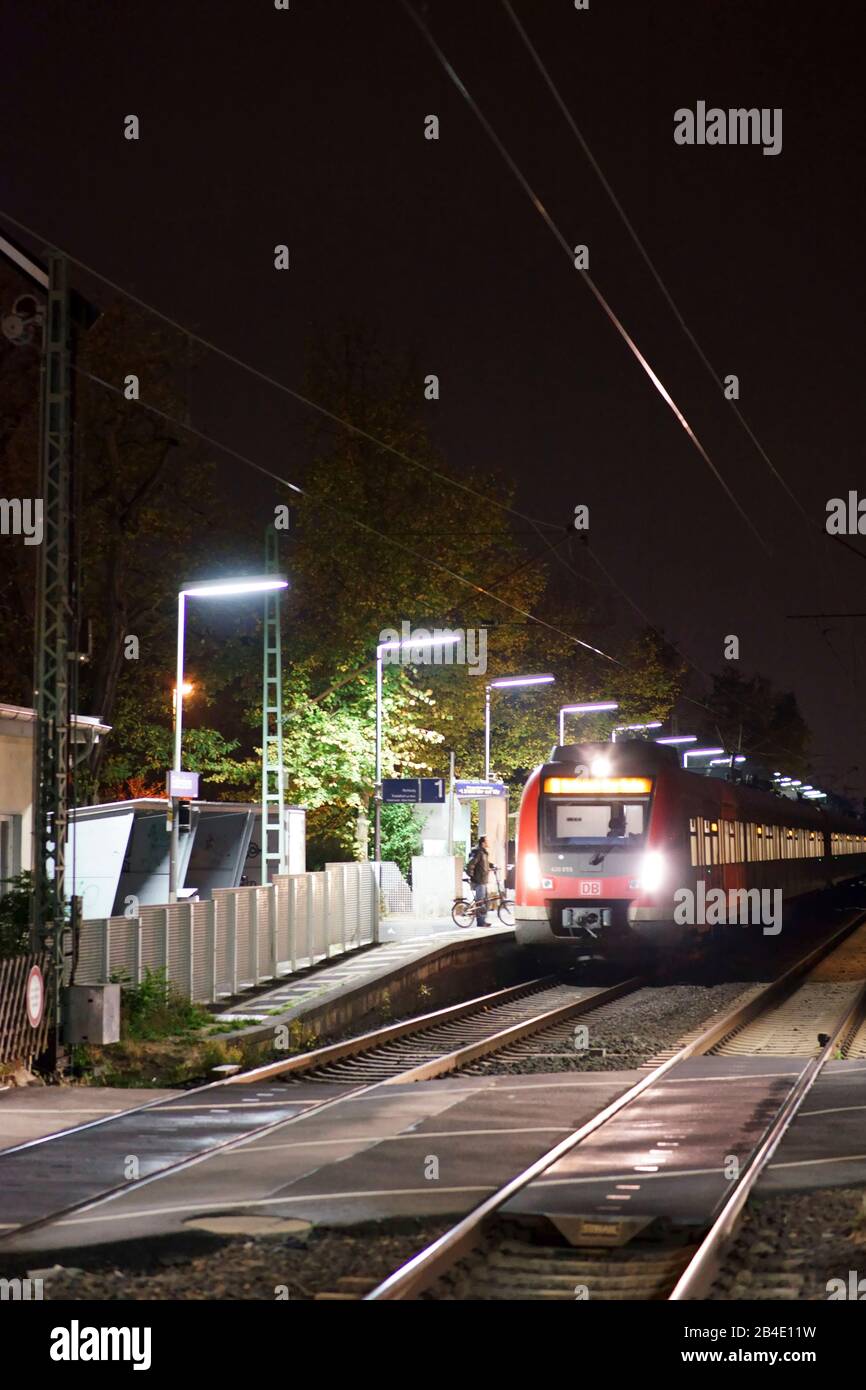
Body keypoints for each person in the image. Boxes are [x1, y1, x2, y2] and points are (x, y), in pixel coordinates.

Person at [467, 835, 493, 926]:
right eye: (487, 841)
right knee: (481, 902)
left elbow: (484, 863)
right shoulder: (478, 852)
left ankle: (483, 920)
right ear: (483, 843)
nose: (488, 843)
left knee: (486, 901)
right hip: (479, 880)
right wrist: (471, 876)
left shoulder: (484, 853)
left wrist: (492, 866)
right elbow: (471, 863)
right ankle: (481, 922)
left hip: (483, 880)